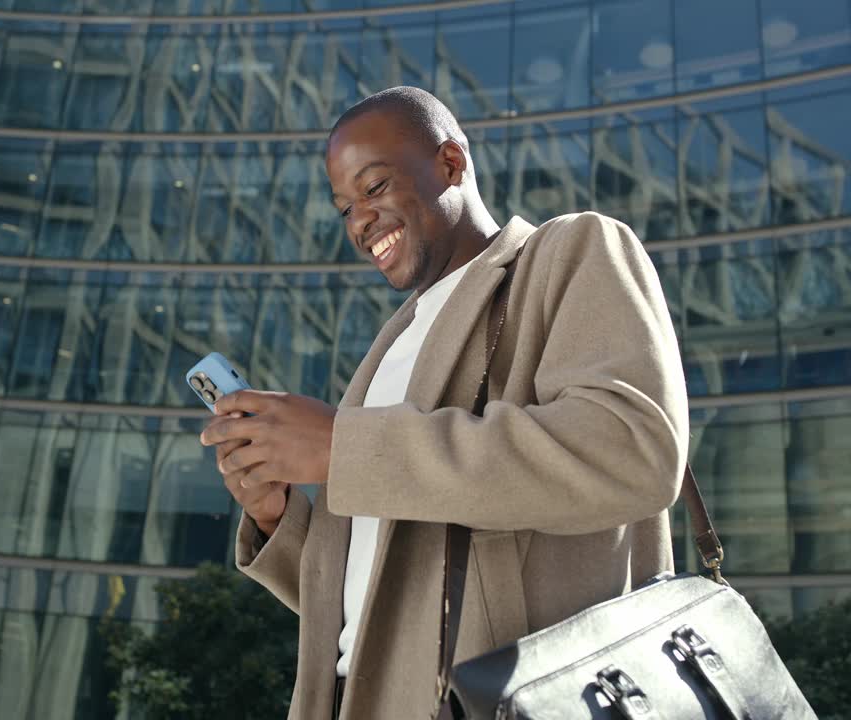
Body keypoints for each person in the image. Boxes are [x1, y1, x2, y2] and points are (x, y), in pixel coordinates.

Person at [198, 86, 688, 720]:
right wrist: (278, 517)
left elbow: (631, 451)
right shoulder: (393, 344)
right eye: (344, 208)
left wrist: (342, 447)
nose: (359, 222)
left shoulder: (569, 252)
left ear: (451, 164)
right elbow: (387, 588)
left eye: (373, 189)